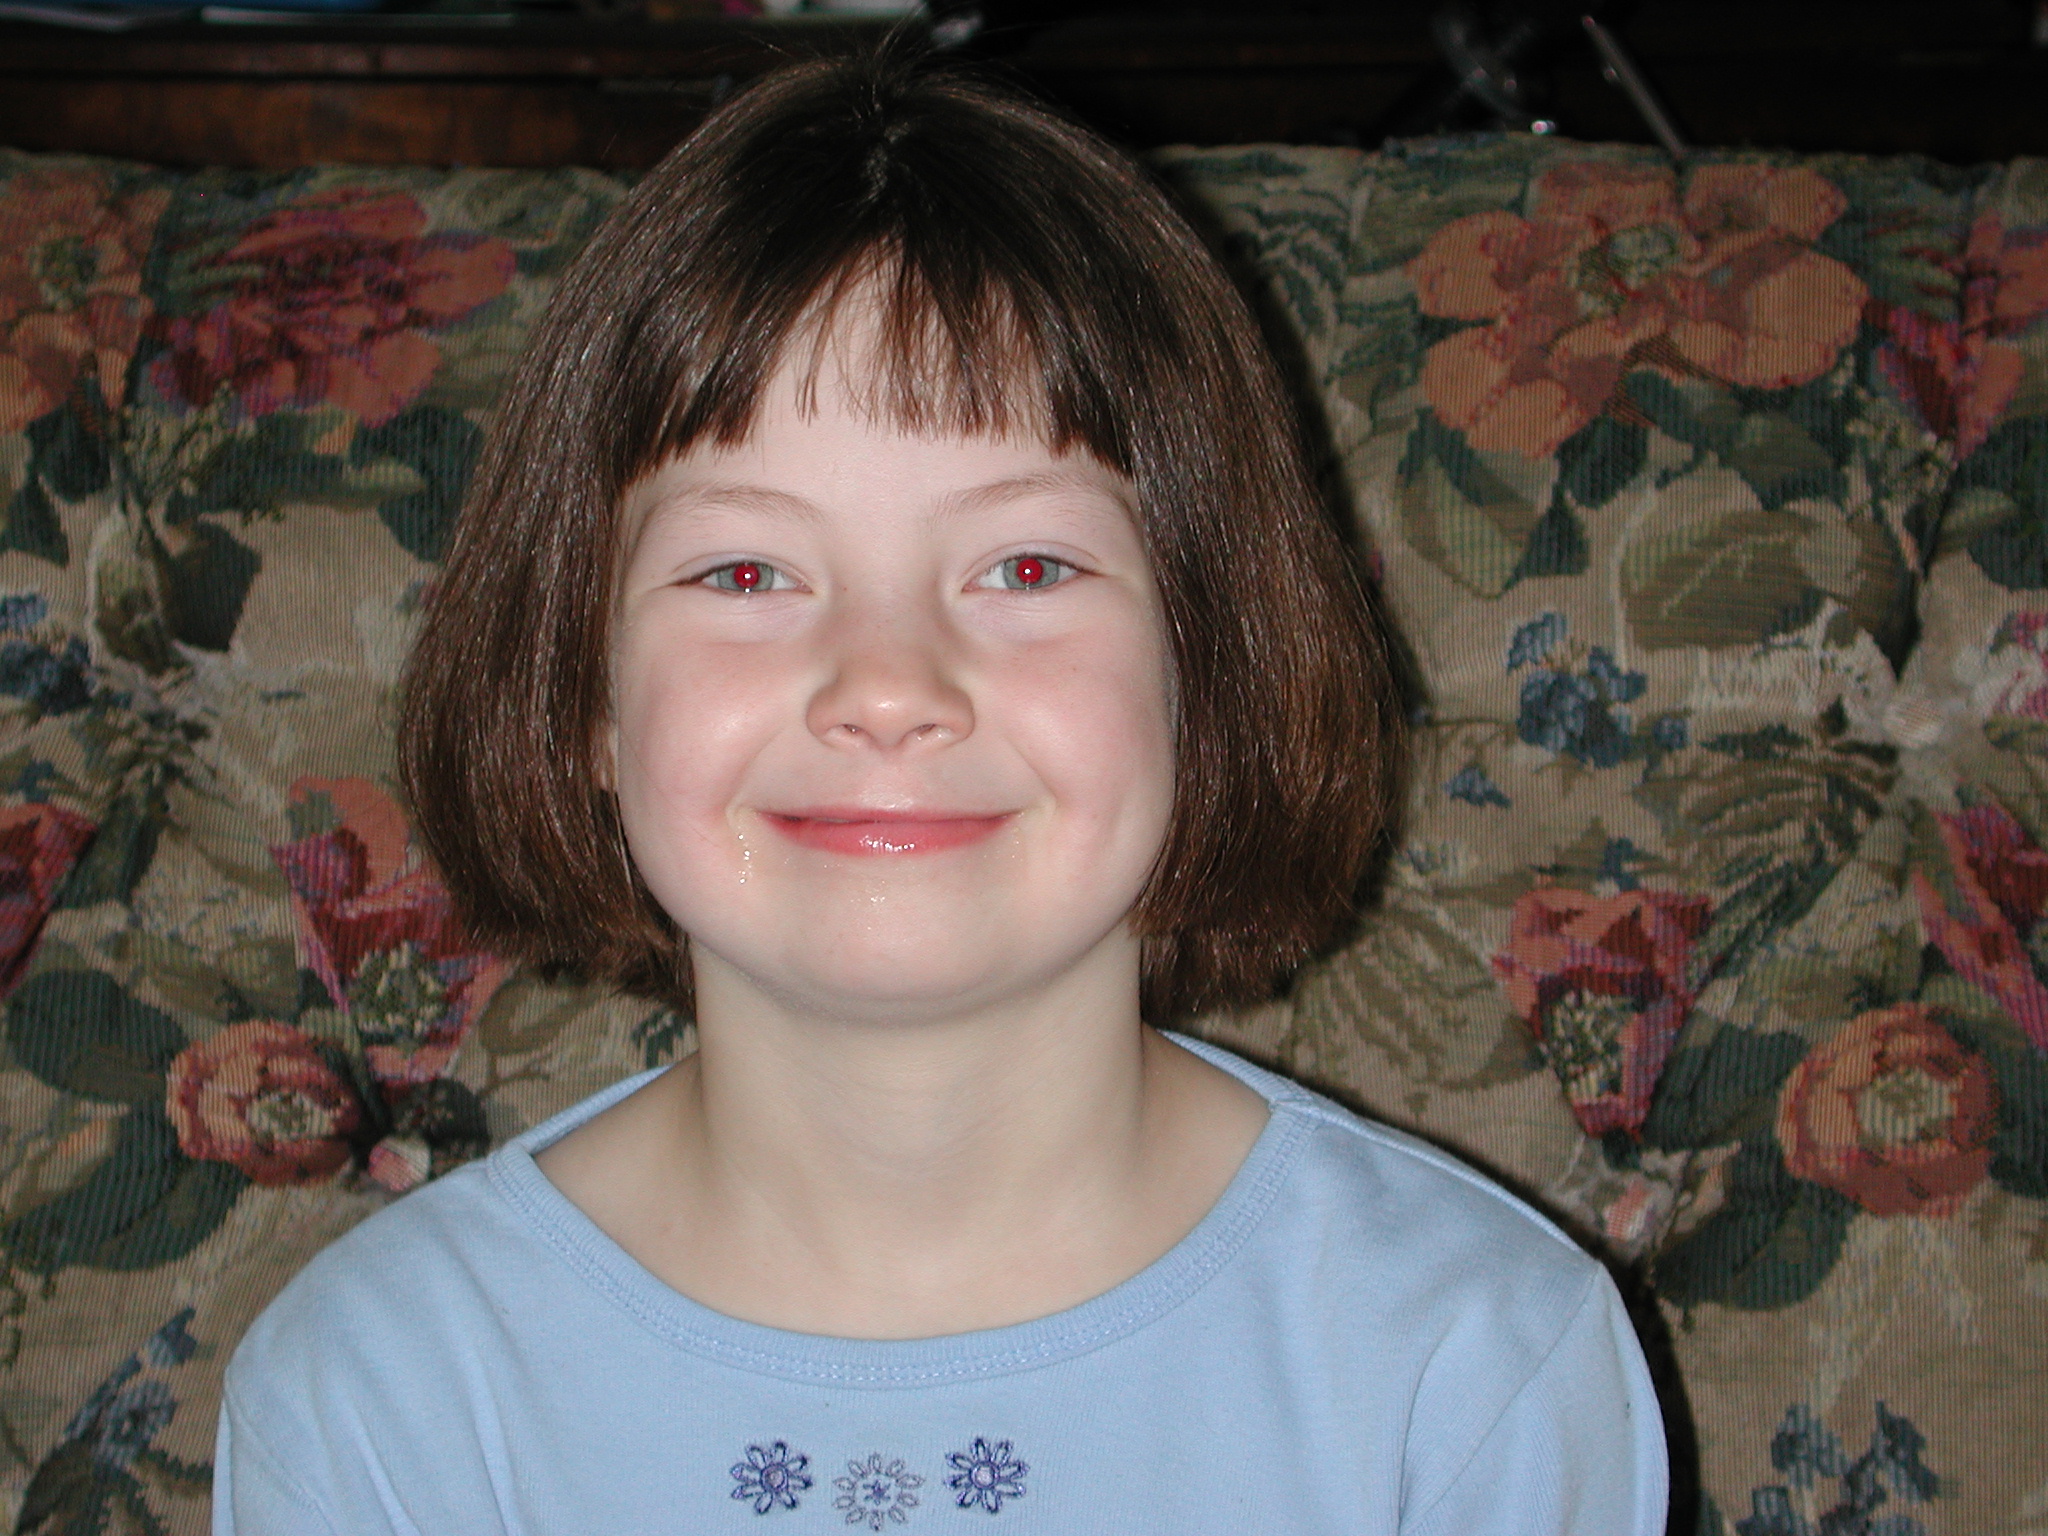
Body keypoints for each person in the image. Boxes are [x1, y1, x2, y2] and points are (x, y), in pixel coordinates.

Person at [213, 44, 1668, 1536]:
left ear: (1206, 660)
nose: (888, 685)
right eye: (745, 572)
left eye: (1026, 566)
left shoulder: (1470, 1370)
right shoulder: (381, 1401)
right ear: (579, 687)